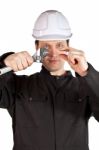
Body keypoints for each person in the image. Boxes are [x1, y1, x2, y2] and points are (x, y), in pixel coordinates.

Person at [0, 10, 99, 150]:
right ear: (36, 48)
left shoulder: (85, 87)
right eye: (46, 46)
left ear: (68, 46)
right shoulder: (17, 86)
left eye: (59, 45)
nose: (53, 53)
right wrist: (3, 64)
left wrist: (87, 73)